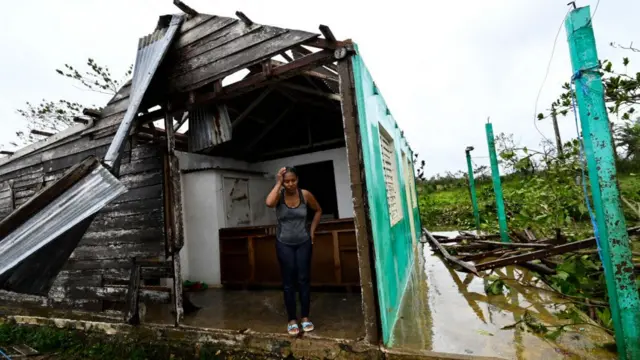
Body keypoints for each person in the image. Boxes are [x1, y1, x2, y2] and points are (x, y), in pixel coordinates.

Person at [266, 166, 322, 335]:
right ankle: (292, 319)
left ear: (297, 180)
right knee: (289, 282)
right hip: (284, 243)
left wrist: (312, 231)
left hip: (303, 242)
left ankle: (305, 317)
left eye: (293, 180)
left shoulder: (305, 195)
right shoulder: (279, 196)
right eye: (286, 181)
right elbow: (269, 203)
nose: (290, 184)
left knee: (304, 279)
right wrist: (277, 183)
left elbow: (318, 210)